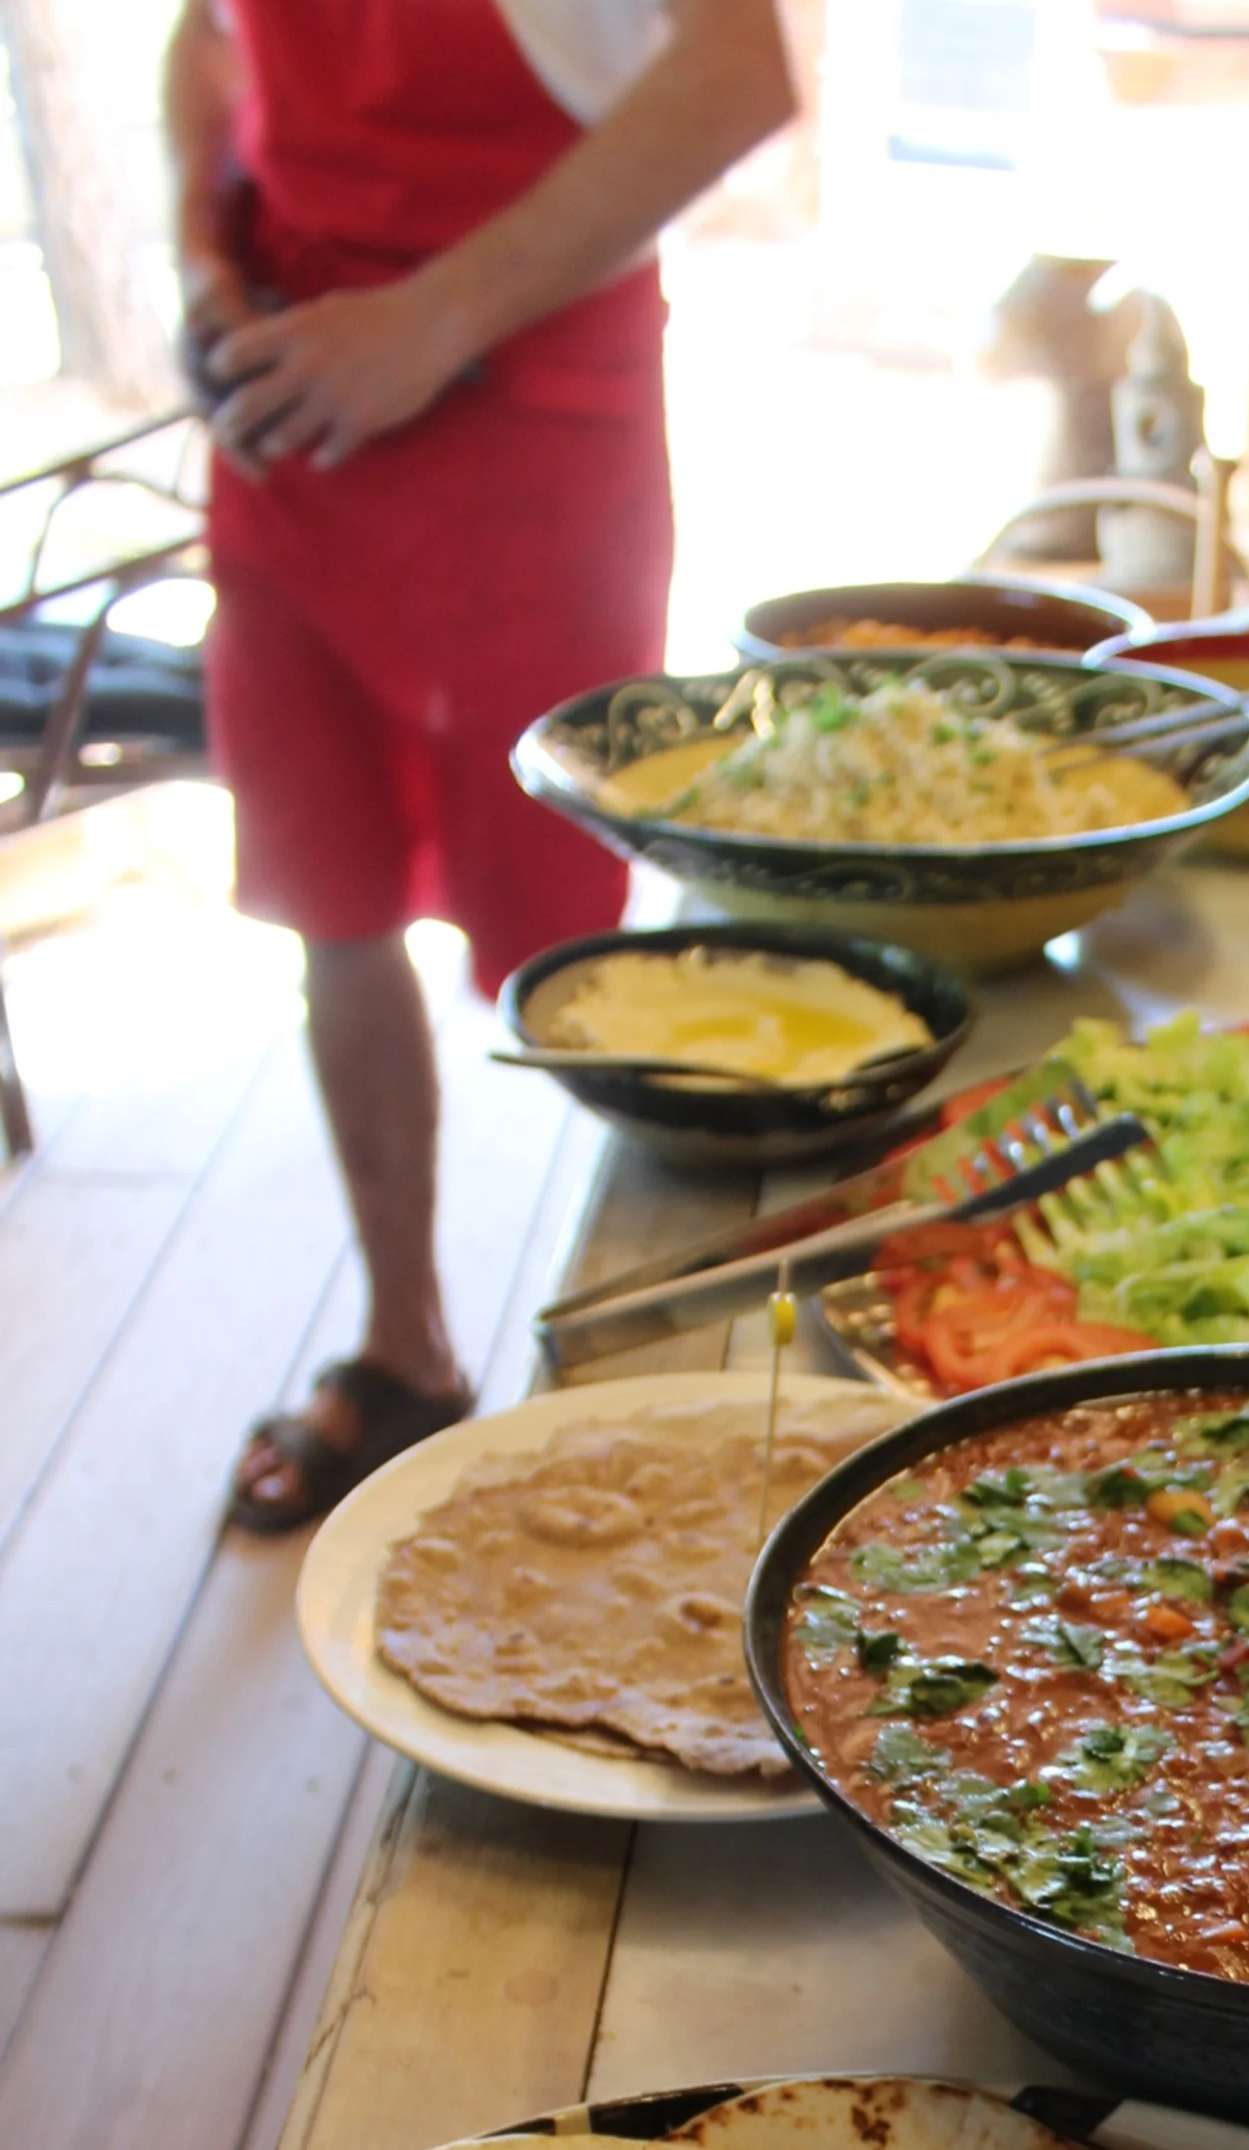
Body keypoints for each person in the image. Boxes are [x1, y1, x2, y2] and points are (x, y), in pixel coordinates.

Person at [166, 0, 795, 1529]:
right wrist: (200, 263)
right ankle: (406, 1349)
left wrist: (432, 320)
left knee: (586, 938)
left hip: (519, 400)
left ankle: (686, 1409)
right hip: (290, 409)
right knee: (327, 897)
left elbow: (739, 72)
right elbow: (207, 38)